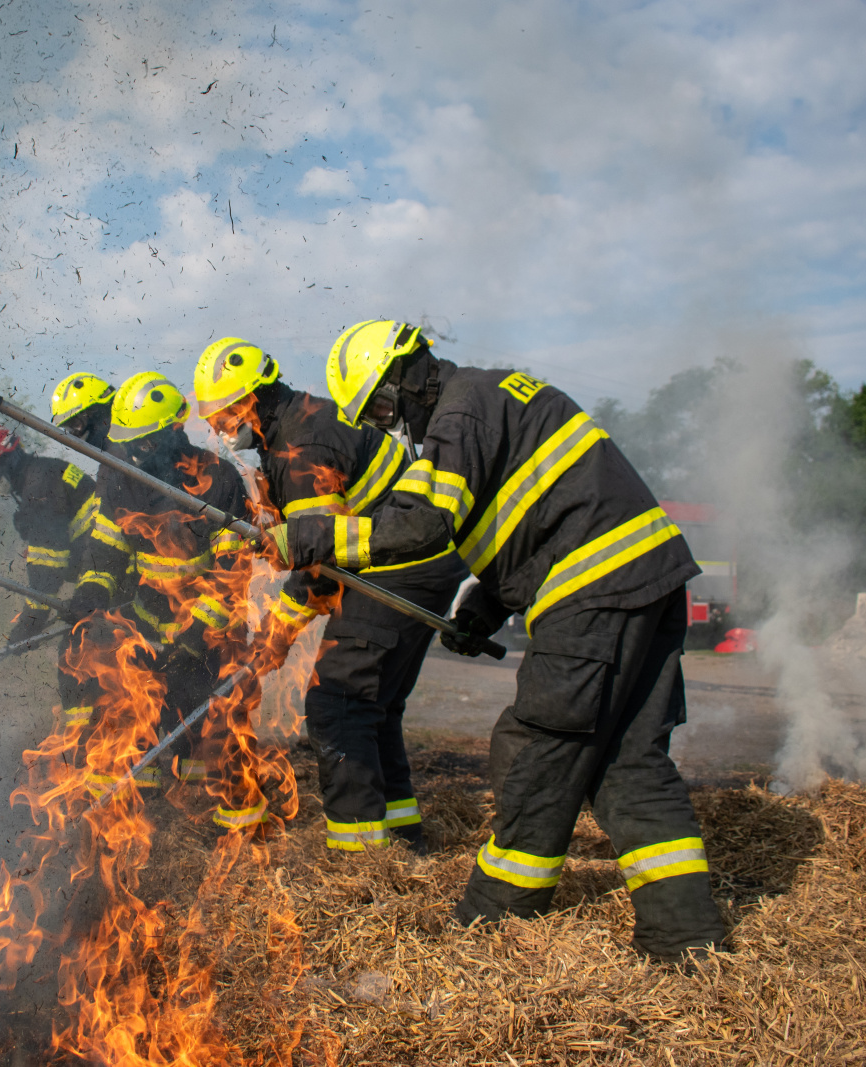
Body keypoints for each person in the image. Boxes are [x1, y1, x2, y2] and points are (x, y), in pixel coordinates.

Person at [280, 319, 725, 962]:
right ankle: (686, 938)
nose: (391, 425)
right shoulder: (495, 398)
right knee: (628, 761)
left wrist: (319, 537)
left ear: (405, 374)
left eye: (382, 408)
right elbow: (536, 517)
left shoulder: (460, 411)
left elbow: (424, 522)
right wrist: (484, 607)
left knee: (535, 747)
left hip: (592, 589)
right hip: (646, 581)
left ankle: (495, 922)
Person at [192, 337, 468, 853]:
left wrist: (274, 637)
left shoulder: (302, 447)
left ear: (251, 400)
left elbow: (321, 564)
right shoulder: (300, 423)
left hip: (396, 568)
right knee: (374, 705)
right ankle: (402, 834)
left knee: (337, 703)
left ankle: (360, 857)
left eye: (224, 417)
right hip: (420, 562)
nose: (219, 431)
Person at [66, 372, 265, 829]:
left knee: (215, 721)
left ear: (174, 431)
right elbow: (107, 548)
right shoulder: (121, 478)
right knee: (132, 707)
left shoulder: (217, 479)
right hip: (149, 618)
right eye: (129, 445)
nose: (136, 454)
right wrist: (92, 589)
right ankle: (142, 811)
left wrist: (198, 635)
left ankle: (238, 822)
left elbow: (232, 570)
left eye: (145, 444)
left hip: (211, 624)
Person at [0, 424, 97, 645]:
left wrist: (28, 625)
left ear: (6, 463)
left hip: (108, 563)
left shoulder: (38, 489)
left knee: (79, 649)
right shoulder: (43, 471)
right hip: (107, 560)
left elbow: (47, 570)